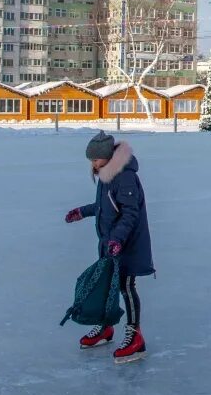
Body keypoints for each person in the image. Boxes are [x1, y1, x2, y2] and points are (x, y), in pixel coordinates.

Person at [65, 131, 153, 363]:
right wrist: (82, 212)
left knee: (126, 286)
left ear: (106, 156)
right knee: (107, 285)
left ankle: (136, 338)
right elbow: (105, 206)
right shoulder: (106, 174)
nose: (92, 164)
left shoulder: (124, 176)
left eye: (95, 160)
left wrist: (117, 240)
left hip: (127, 244)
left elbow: (129, 213)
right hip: (111, 243)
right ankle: (106, 327)